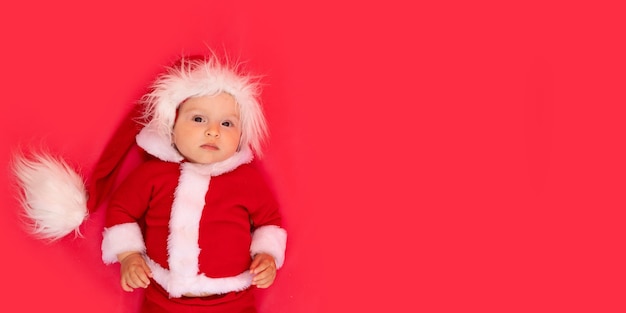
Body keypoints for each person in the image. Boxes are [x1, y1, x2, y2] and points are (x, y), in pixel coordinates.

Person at [12, 54, 287, 313]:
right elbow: (122, 210)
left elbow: (269, 221)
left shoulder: (245, 180)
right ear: (172, 126)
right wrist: (129, 256)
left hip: (233, 300)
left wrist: (267, 255)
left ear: (241, 136)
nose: (213, 130)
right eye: (198, 119)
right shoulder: (153, 175)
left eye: (227, 123)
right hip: (164, 298)